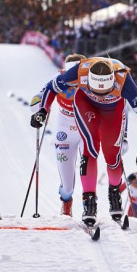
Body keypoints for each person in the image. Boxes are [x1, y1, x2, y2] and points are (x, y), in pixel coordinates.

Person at [30, 57, 137, 227]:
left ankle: (114, 192)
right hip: (86, 104)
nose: (100, 95)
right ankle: (89, 202)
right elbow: (51, 87)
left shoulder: (124, 81)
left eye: (105, 91)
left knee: (112, 155)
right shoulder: (79, 72)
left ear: (112, 81)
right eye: (96, 90)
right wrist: (43, 110)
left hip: (113, 109)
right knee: (90, 149)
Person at [30, 54, 86, 216]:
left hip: (85, 131)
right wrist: (39, 111)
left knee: (88, 169)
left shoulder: (90, 77)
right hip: (65, 132)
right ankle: (66, 204)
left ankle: (89, 207)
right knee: (67, 186)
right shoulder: (59, 77)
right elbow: (36, 100)